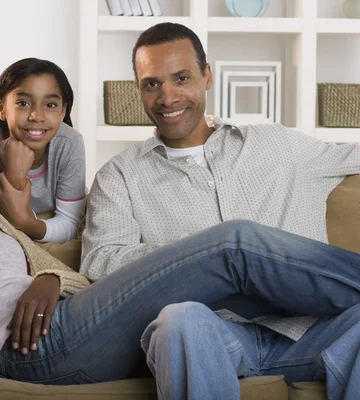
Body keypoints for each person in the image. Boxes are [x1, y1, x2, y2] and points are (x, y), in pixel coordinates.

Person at [0, 98, 360, 400]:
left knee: (238, 272)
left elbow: (61, 272)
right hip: (32, 352)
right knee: (232, 245)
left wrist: (50, 280)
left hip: (74, 321)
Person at [81, 22, 360, 399]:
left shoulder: (274, 143)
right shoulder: (119, 176)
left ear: (207, 76)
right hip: (211, 334)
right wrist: (205, 257)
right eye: (152, 84)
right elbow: (102, 262)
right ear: (138, 90)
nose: (167, 97)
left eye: (181, 78)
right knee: (178, 322)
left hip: (309, 332)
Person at [0, 58, 86, 244]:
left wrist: (26, 222)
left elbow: (70, 224)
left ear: (63, 112)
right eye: (23, 103)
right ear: (1, 109)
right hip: (8, 227)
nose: (36, 116)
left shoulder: (70, 143)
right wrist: (14, 176)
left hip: (53, 227)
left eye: (50, 105)